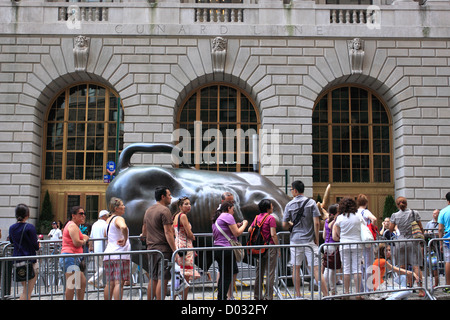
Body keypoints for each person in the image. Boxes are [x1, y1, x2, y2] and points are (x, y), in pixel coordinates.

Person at [282, 180, 328, 298]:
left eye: (291, 190)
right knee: (316, 269)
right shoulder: (311, 203)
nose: (291, 191)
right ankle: (326, 295)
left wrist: (291, 225)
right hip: (309, 240)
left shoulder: (289, 205)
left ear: (295, 190)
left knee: (296, 268)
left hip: (295, 240)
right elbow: (317, 223)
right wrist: (316, 238)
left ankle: (298, 295)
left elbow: (284, 225)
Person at [142, 186, 176, 300]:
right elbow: (168, 232)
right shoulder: (165, 210)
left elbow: (144, 230)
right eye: (169, 195)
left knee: (153, 277)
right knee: (163, 279)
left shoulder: (148, 210)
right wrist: (175, 250)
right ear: (163, 197)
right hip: (163, 249)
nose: (171, 197)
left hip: (151, 248)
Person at [212, 201, 248, 300]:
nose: (233, 212)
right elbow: (236, 233)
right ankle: (222, 297)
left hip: (218, 248)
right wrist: (244, 224)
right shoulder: (227, 216)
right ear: (228, 208)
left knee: (227, 273)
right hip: (226, 249)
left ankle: (222, 296)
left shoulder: (218, 218)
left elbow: (226, 232)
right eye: (233, 209)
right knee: (226, 276)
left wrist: (237, 225)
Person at [389, 196, 424, 296]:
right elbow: (420, 227)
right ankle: (420, 289)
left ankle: (404, 288)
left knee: (402, 267)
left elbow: (391, 229)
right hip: (413, 241)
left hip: (401, 242)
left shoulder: (394, 215)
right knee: (416, 266)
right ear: (406, 203)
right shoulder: (414, 213)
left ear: (397, 205)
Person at [332, 197, 363, 299]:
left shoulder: (340, 218)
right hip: (357, 244)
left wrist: (341, 236)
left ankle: (346, 293)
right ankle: (358, 293)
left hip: (344, 244)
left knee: (346, 269)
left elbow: (336, 232)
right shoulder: (358, 216)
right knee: (357, 269)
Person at [248, 199, 279, 300]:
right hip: (270, 247)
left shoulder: (257, 218)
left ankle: (257, 296)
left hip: (259, 248)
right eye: (271, 206)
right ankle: (268, 297)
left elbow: (249, 229)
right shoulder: (271, 218)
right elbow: (273, 234)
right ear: (268, 208)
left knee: (259, 272)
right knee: (270, 273)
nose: (272, 207)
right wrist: (278, 247)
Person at [8, 204, 39, 300]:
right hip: (30, 261)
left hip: (18, 261)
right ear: (27, 215)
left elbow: (12, 242)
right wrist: (38, 245)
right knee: (27, 292)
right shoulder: (30, 227)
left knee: (25, 289)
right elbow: (35, 245)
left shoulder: (12, 228)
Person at [103, 198, 131, 300]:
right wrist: (125, 239)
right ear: (116, 208)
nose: (124, 207)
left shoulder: (108, 220)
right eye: (122, 205)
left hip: (109, 254)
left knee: (109, 283)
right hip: (119, 254)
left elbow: (105, 235)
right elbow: (123, 227)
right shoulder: (119, 218)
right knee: (119, 283)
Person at [173, 196, 200, 299]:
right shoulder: (183, 216)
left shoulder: (176, 216)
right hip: (185, 246)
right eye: (186, 204)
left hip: (178, 245)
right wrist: (192, 236)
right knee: (186, 276)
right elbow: (189, 233)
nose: (189, 206)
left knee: (179, 276)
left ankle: (174, 297)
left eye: (189, 204)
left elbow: (173, 231)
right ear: (180, 206)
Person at [60, 206, 89, 300]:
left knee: (80, 281)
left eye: (84, 214)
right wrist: (84, 241)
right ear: (73, 215)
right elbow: (76, 242)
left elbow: (81, 236)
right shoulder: (72, 225)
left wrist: (84, 238)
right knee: (72, 284)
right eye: (81, 214)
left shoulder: (73, 226)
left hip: (72, 257)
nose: (83, 216)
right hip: (70, 257)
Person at [356, 194, 377, 292]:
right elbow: (374, 218)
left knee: (359, 265)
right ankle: (369, 288)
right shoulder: (365, 211)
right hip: (366, 240)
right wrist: (371, 227)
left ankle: (360, 289)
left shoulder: (355, 212)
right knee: (368, 264)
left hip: (358, 239)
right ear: (366, 203)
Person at [322, 203, 340, 296]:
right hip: (333, 246)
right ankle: (332, 291)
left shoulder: (326, 221)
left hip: (326, 245)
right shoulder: (335, 222)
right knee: (331, 270)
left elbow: (324, 235)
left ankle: (327, 291)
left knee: (327, 269)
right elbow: (335, 234)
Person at [88, 209, 109, 288]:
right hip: (104, 248)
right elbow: (107, 236)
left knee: (98, 267)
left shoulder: (94, 224)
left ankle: (99, 283)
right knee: (105, 267)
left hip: (96, 248)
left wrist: (91, 247)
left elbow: (91, 237)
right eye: (107, 216)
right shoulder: (106, 224)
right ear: (104, 216)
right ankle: (94, 279)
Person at [438, 192, 450, 293]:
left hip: (448, 238)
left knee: (448, 261)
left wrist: (441, 243)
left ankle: (448, 284)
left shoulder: (443, 211)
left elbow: (440, 229)